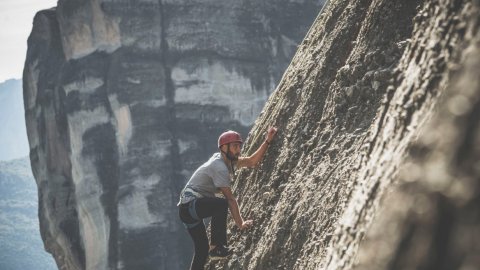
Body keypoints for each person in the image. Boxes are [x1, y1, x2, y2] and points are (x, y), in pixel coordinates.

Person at [178, 127, 278, 270]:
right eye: (235, 146)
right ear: (224, 147)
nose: (238, 149)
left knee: (201, 250)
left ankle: (211, 250)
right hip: (190, 207)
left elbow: (251, 161)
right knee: (221, 204)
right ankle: (217, 247)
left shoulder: (228, 161)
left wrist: (267, 141)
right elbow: (230, 199)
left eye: (239, 146)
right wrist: (240, 223)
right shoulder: (219, 167)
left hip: (187, 211)